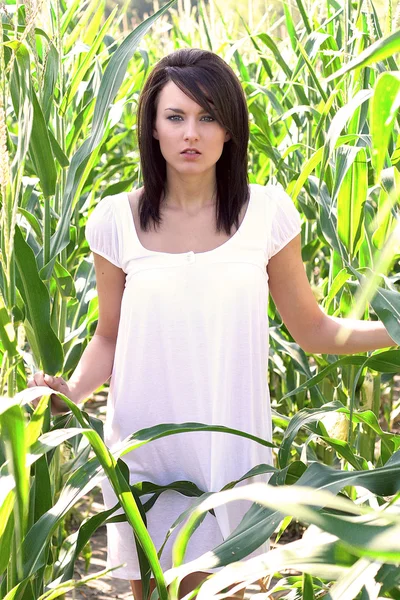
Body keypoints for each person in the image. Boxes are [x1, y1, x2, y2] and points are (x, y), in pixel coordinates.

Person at [28, 48, 398, 599]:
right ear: (152, 127)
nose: (191, 133)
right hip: (147, 457)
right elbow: (109, 335)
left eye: (208, 117)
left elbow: (314, 330)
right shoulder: (116, 221)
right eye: (175, 117)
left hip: (234, 454)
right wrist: (69, 394)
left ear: (231, 129)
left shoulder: (266, 215)